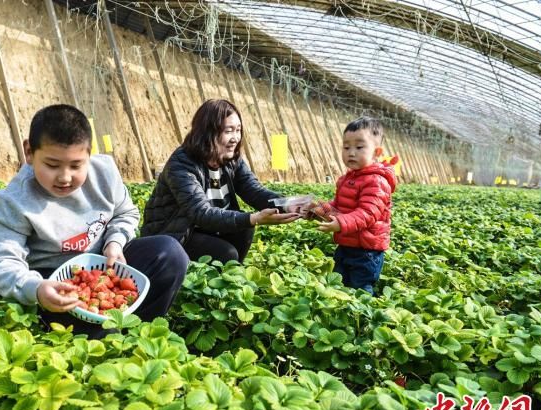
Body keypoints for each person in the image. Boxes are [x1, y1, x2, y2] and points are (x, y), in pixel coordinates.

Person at [0, 104, 189, 336]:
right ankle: (108, 335)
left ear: (89, 155)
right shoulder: (14, 201)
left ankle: (139, 330)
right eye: (52, 165)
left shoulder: (105, 172)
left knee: (170, 253)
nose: (64, 177)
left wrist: (115, 242)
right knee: (102, 335)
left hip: (106, 263)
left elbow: (125, 213)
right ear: (29, 152)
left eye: (76, 165)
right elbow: (1, 261)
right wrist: (37, 289)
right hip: (56, 284)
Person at [141, 99, 301, 263]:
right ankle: (207, 278)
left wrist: (287, 204)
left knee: (245, 229)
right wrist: (254, 218)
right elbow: (201, 213)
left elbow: (254, 191)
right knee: (226, 253)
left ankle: (230, 278)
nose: (235, 138)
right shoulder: (182, 164)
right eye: (229, 131)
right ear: (207, 132)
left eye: (238, 130)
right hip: (175, 235)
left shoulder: (231, 159)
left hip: (206, 227)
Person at [304, 116, 397, 295]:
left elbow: (368, 213)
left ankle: (362, 320)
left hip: (366, 251)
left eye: (359, 147)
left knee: (360, 290)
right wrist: (318, 209)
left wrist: (340, 224)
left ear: (377, 152)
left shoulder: (377, 181)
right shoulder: (347, 179)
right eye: (346, 147)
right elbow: (338, 206)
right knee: (340, 284)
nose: (351, 152)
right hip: (346, 244)